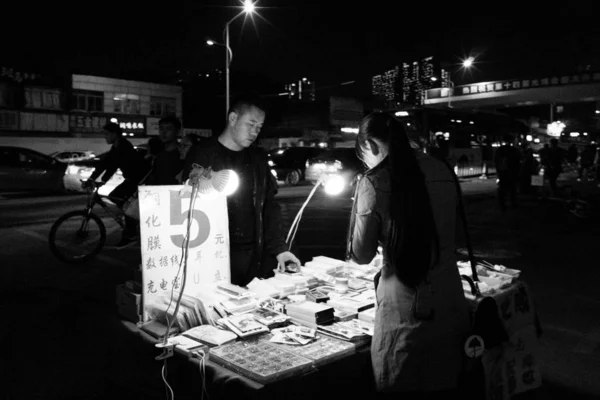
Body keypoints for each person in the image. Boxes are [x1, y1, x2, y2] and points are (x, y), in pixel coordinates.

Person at [346, 112, 470, 399]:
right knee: (445, 382)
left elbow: (361, 255)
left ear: (372, 146)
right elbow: (455, 236)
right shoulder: (442, 170)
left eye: (365, 156)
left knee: (403, 381)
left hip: (404, 309)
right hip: (450, 300)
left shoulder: (374, 181)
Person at [182, 94, 300, 286]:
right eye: (250, 124)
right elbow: (187, 199)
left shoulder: (258, 158)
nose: (254, 132)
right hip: (212, 253)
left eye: (259, 127)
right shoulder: (203, 153)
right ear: (233, 118)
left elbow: (269, 206)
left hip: (253, 253)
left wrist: (280, 248)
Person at [83, 122, 151, 248]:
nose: (105, 137)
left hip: (139, 179)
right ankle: (132, 222)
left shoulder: (123, 145)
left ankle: (131, 234)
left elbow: (112, 164)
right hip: (132, 179)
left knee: (123, 202)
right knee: (115, 196)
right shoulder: (116, 146)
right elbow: (107, 163)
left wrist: (100, 180)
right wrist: (95, 179)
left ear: (114, 134)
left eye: (107, 134)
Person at [147, 116, 184, 185]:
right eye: (161, 129)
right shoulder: (158, 157)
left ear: (177, 131)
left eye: (168, 129)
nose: (164, 132)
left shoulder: (183, 154)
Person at [494, 134, 521, 211]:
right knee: (512, 188)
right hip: (512, 172)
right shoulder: (514, 150)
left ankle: (502, 203)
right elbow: (517, 162)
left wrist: (498, 171)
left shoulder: (500, 150)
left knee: (503, 188)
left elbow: (496, 161)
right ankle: (512, 202)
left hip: (503, 171)